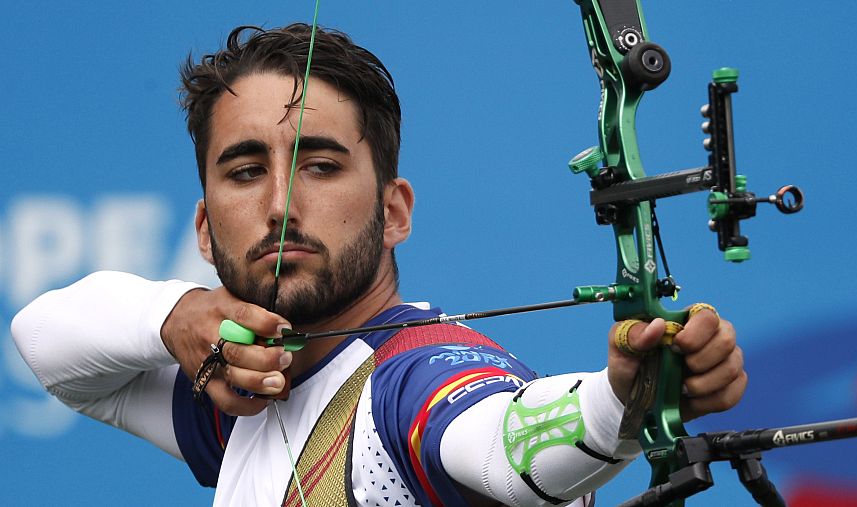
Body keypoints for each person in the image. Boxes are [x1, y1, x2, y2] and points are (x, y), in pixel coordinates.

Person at [11, 23, 746, 507]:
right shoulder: (240, 396)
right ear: (204, 228)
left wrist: (620, 402)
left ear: (394, 210)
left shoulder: (413, 377)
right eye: (243, 171)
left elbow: (500, 441)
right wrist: (174, 315)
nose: (278, 202)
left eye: (321, 165)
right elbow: (44, 340)